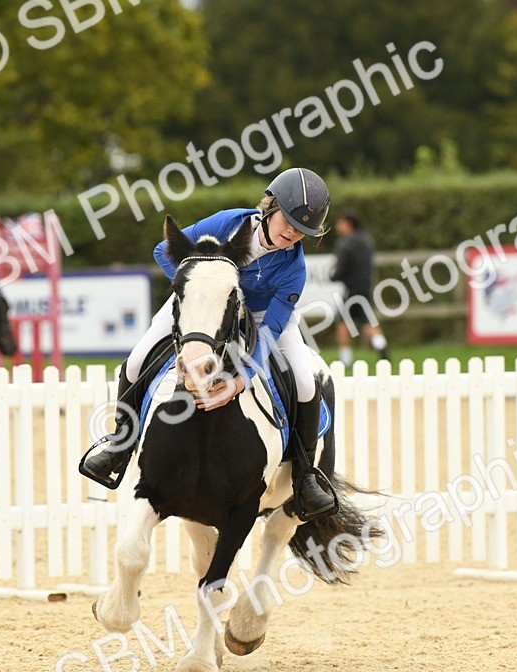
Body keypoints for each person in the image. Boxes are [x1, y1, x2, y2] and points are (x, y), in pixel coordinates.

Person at [82, 167, 339, 519]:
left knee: (306, 382)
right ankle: (119, 445)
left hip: (263, 317)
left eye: (303, 231)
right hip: (202, 306)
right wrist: (200, 290)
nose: (293, 233)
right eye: (289, 221)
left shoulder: (295, 268)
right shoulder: (226, 223)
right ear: (271, 207)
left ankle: (307, 475)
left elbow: (268, 332)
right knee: (137, 360)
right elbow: (163, 251)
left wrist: (241, 379)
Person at [331, 213, 389, 367]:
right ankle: (381, 346)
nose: (338, 226)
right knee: (367, 321)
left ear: (349, 224)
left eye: (341, 223)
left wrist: (333, 276)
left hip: (351, 290)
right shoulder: (367, 241)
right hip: (365, 288)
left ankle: (346, 359)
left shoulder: (345, 244)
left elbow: (340, 270)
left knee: (342, 321)